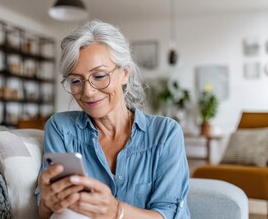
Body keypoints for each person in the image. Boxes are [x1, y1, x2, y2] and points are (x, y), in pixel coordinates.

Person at [36, 20, 190, 219]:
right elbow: (48, 215)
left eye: (99, 76)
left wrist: (117, 212)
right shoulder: (61, 128)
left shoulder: (165, 133)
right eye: (76, 81)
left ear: (124, 73)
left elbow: (170, 215)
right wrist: (47, 205)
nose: (88, 92)